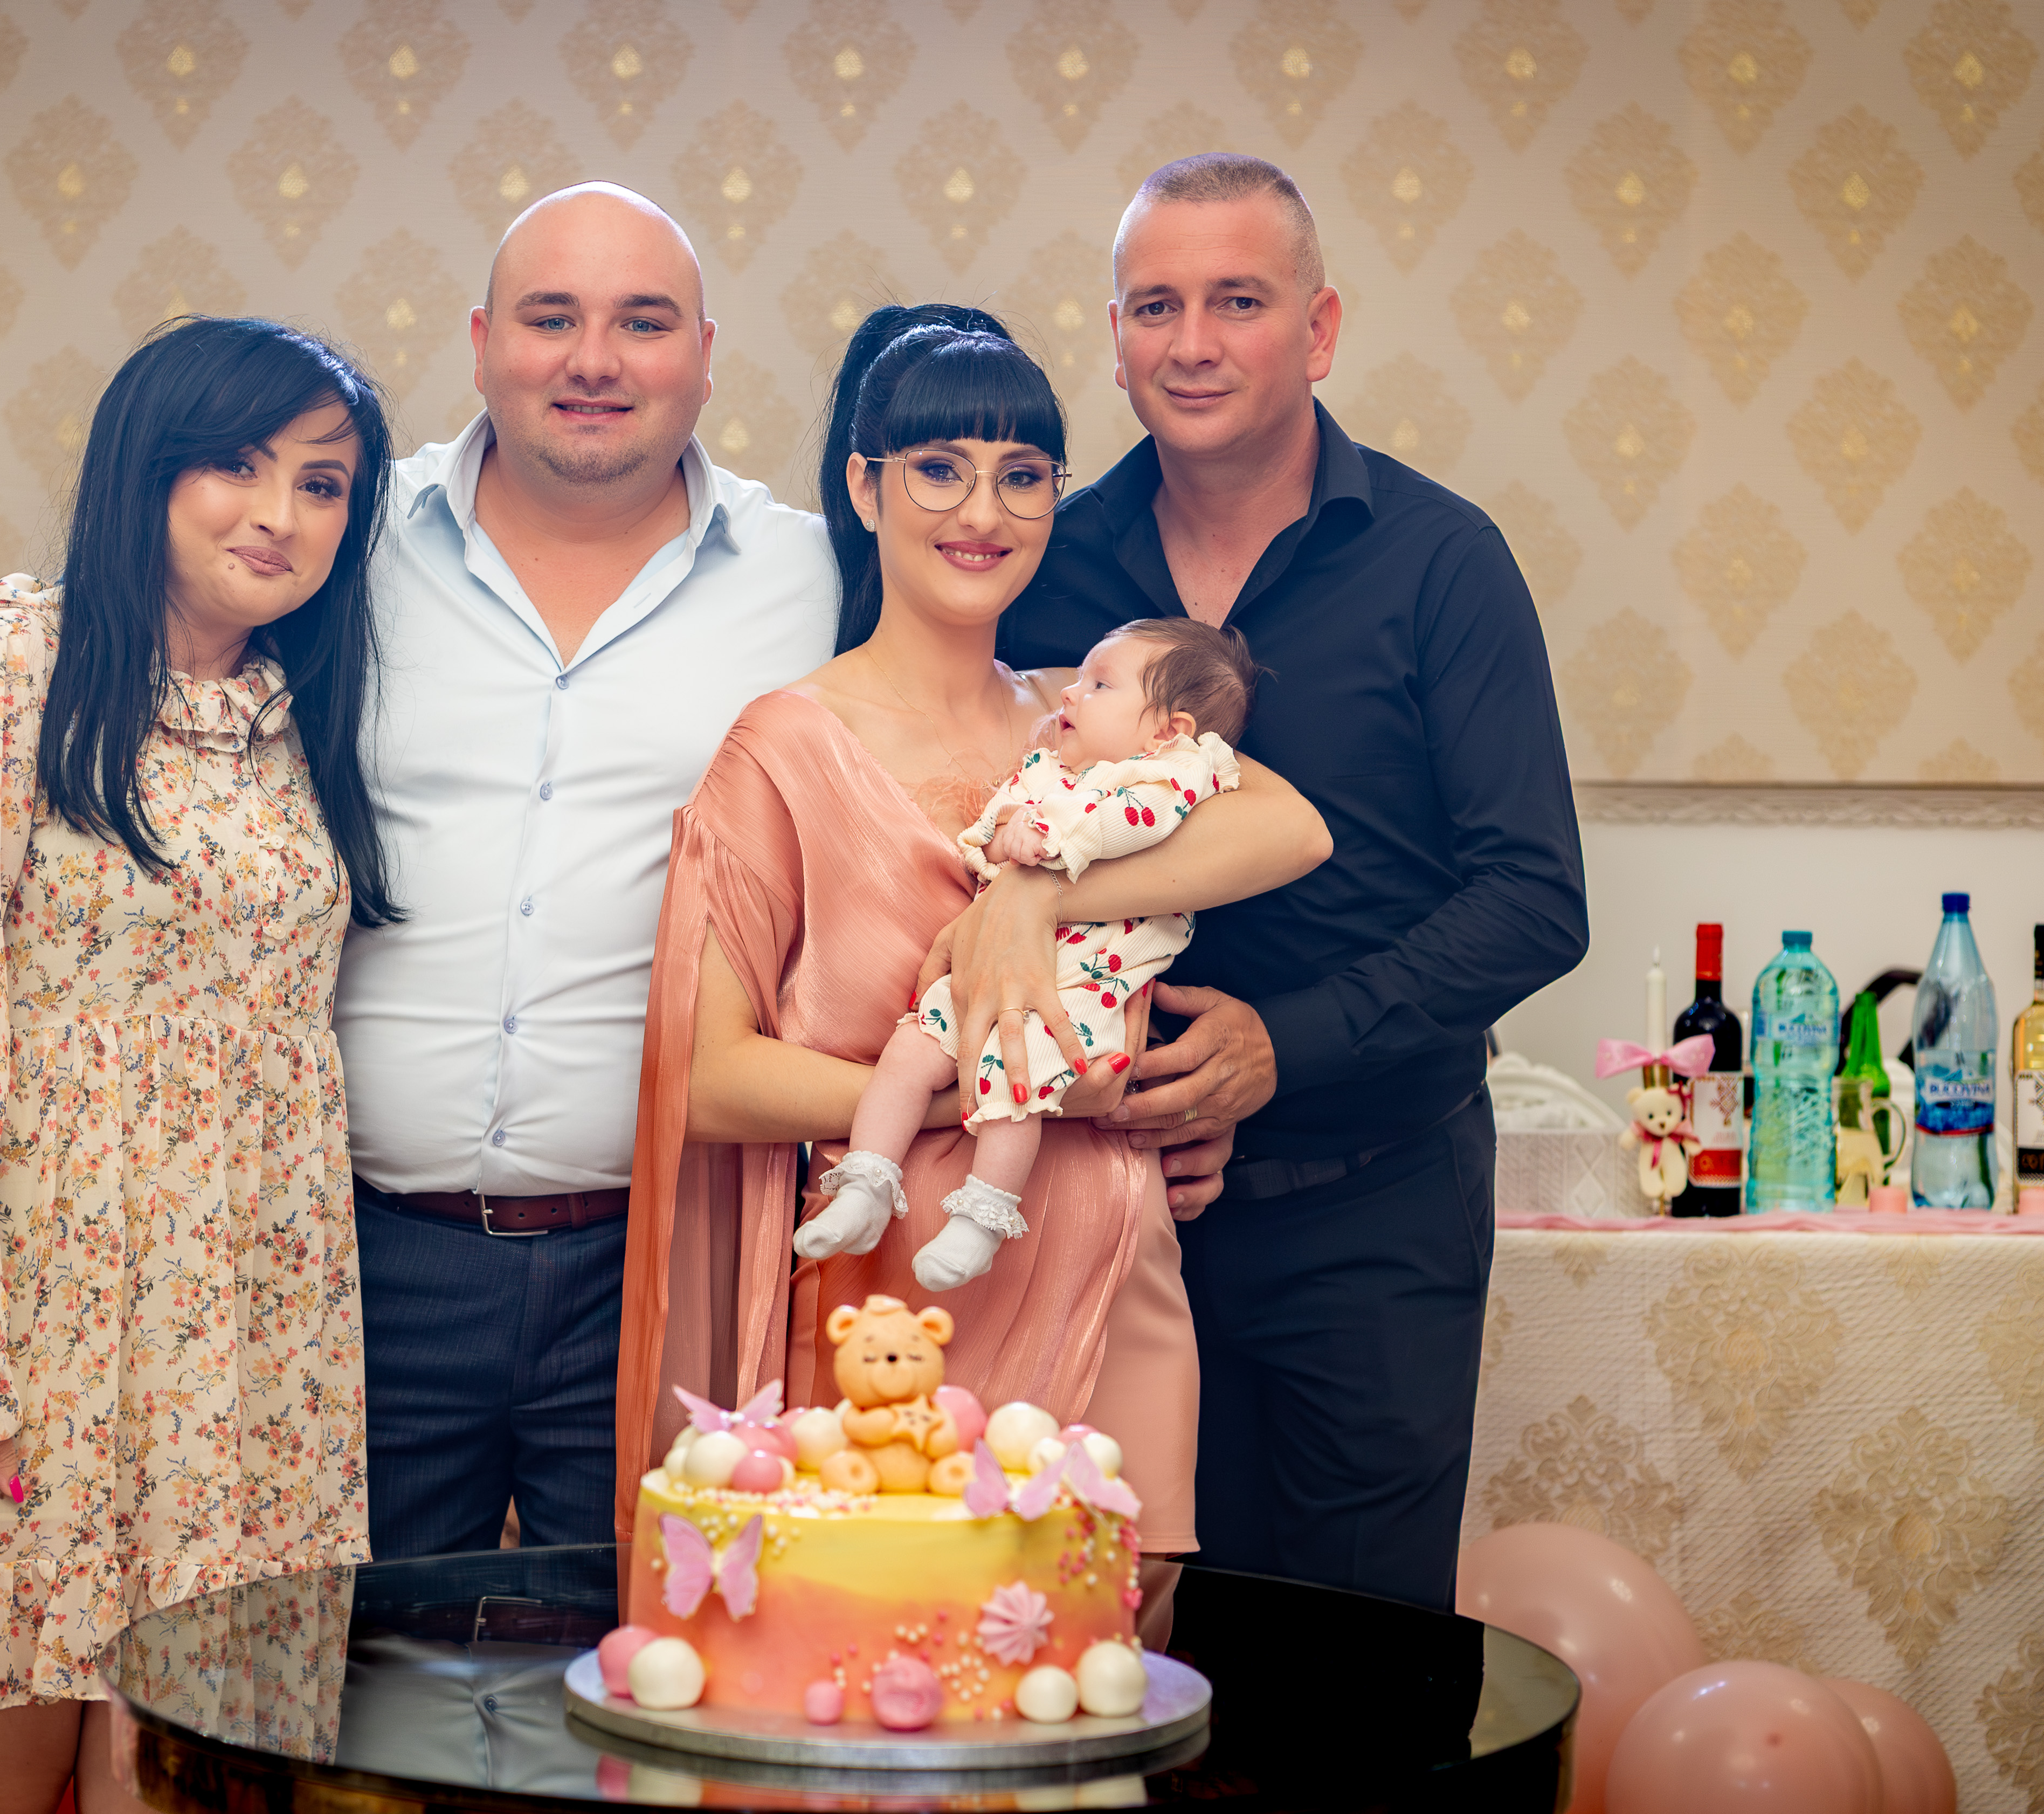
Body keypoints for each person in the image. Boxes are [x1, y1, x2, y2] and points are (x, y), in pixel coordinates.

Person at [0, 316, 393, 1814]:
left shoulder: (301, 715)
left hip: (241, 1362)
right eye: (235, 466)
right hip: (21, 1341)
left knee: (185, 1787)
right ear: (144, 472)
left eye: (321, 483)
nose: (278, 514)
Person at [616, 311, 1332, 1585]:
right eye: (940, 468)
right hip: (892, 1312)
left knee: (1105, 1657)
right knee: (893, 1654)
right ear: (865, 486)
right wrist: (997, 1089)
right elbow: (707, 1077)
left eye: (1022, 475)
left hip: (1113, 1277)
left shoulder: (1090, 712)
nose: (983, 511)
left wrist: (1028, 902)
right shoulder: (782, 746)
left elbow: (1292, 826)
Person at [995, 153, 1589, 1610]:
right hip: (1102, 1206)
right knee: (1099, 1653)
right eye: (1154, 305)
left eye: (1237, 301)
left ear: (1316, 330)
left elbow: (1531, 896)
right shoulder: (1045, 567)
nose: (1190, 342)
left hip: (1365, 1214)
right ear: (1115, 339)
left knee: (1347, 1675)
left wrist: (1280, 1047)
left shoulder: (1440, 563)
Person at [332, 184, 838, 1557]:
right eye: (551, 317)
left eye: (643, 322)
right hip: (360, 1258)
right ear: (482, 342)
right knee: (349, 1664)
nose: (594, 360)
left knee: (649, 1652)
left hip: (662, 1262)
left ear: (707, 354)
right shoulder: (343, 543)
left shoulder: (815, 578)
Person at [798, 617, 1259, 1293]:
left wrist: (1045, 839)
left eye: (1099, 684)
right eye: (1079, 678)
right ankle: (865, 1184)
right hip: (988, 968)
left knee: (1019, 1085)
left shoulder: (1174, 777)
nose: (1070, 692)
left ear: (1169, 731)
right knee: (909, 1053)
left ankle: (981, 1219)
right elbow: (986, 836)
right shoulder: (1049, 770)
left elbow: (1132, 825)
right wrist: (1003, 834)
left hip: (1076, 985)